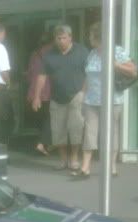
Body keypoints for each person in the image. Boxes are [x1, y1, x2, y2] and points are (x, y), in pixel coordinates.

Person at [73, 22, 138, 179]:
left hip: (111, 100)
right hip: (91, 100)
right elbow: (88, 76)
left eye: (91, 35)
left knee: (111, 134)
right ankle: (85, 167)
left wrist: (115, 64)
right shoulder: (92, 54)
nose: (89, 38)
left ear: (98, 37)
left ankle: (111, 167)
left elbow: (133, 71)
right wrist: (82, 94)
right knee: (89, 133)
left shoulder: (117, 51)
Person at [32, 24, 89, 173]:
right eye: (58, 38)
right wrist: (36, 96)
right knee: (58, 132)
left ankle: (74, 159)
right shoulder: (49, 55)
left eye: (64, 38)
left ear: (70, 37)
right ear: (54, 39)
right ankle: (63, 160)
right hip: (56, 98)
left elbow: (90, 73)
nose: (61, 41)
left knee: (76, 129)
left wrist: (83, 92)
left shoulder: (82, 52)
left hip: (77, 96)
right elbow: (42, 76)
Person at [26, 33, 53, 156]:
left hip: (34, 89)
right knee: (50, 118)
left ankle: (45, 142)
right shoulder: (51, 52)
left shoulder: (34, 54)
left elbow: (30, 73)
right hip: (48, 90)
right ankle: (42, 143)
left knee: (42, 118)